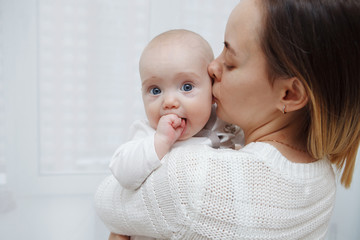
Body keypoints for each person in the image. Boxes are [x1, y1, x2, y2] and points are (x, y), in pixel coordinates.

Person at [95, 0, 360, 239]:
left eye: (230, 61)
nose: (211, 67)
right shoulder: (323, 181)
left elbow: (106, 202)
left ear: (289, 94)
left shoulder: (193, 180)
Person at [108, 29, 243, 240]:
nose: (169, 102)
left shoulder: (226, 126)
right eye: (155, 90)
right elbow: (123, 173)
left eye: (186, 87)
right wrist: (160, 141)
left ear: (212, 91)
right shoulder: (146, 133)